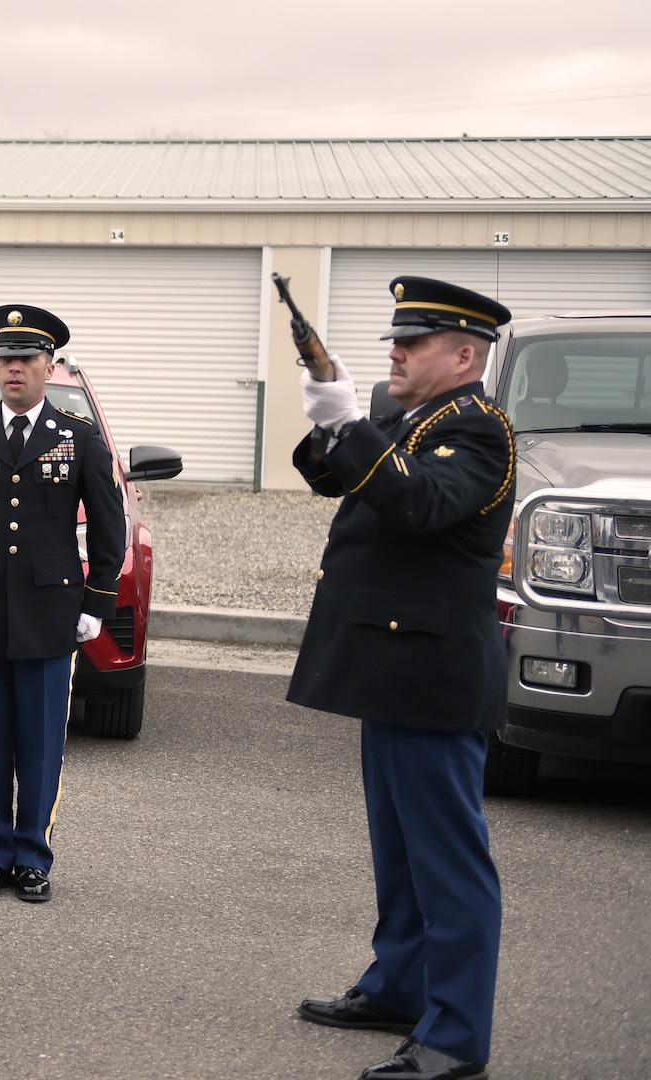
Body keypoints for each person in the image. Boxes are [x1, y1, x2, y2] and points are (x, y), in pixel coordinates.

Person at [288, 276, 514, 1080]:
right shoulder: (407, 415)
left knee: (446, 860)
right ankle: (398, 986)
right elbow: (331, 475)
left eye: (412, 343)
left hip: (433, 672)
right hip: (388, 664)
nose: (395, 350)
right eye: (394, 339)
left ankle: (453, 1036)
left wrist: (351, 423)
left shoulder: (479, 430)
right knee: (399, 850)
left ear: (462, 355)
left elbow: (416, 503)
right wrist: (328, 415)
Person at [0, 305, 125, 903]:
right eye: (6, 358)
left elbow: (110, 531)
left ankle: (33, 855)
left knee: (39, 740)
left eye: (26, 359)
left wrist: (97, 602)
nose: (14, 369)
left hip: (49, 612)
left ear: (48, 365)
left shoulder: (77, 437)